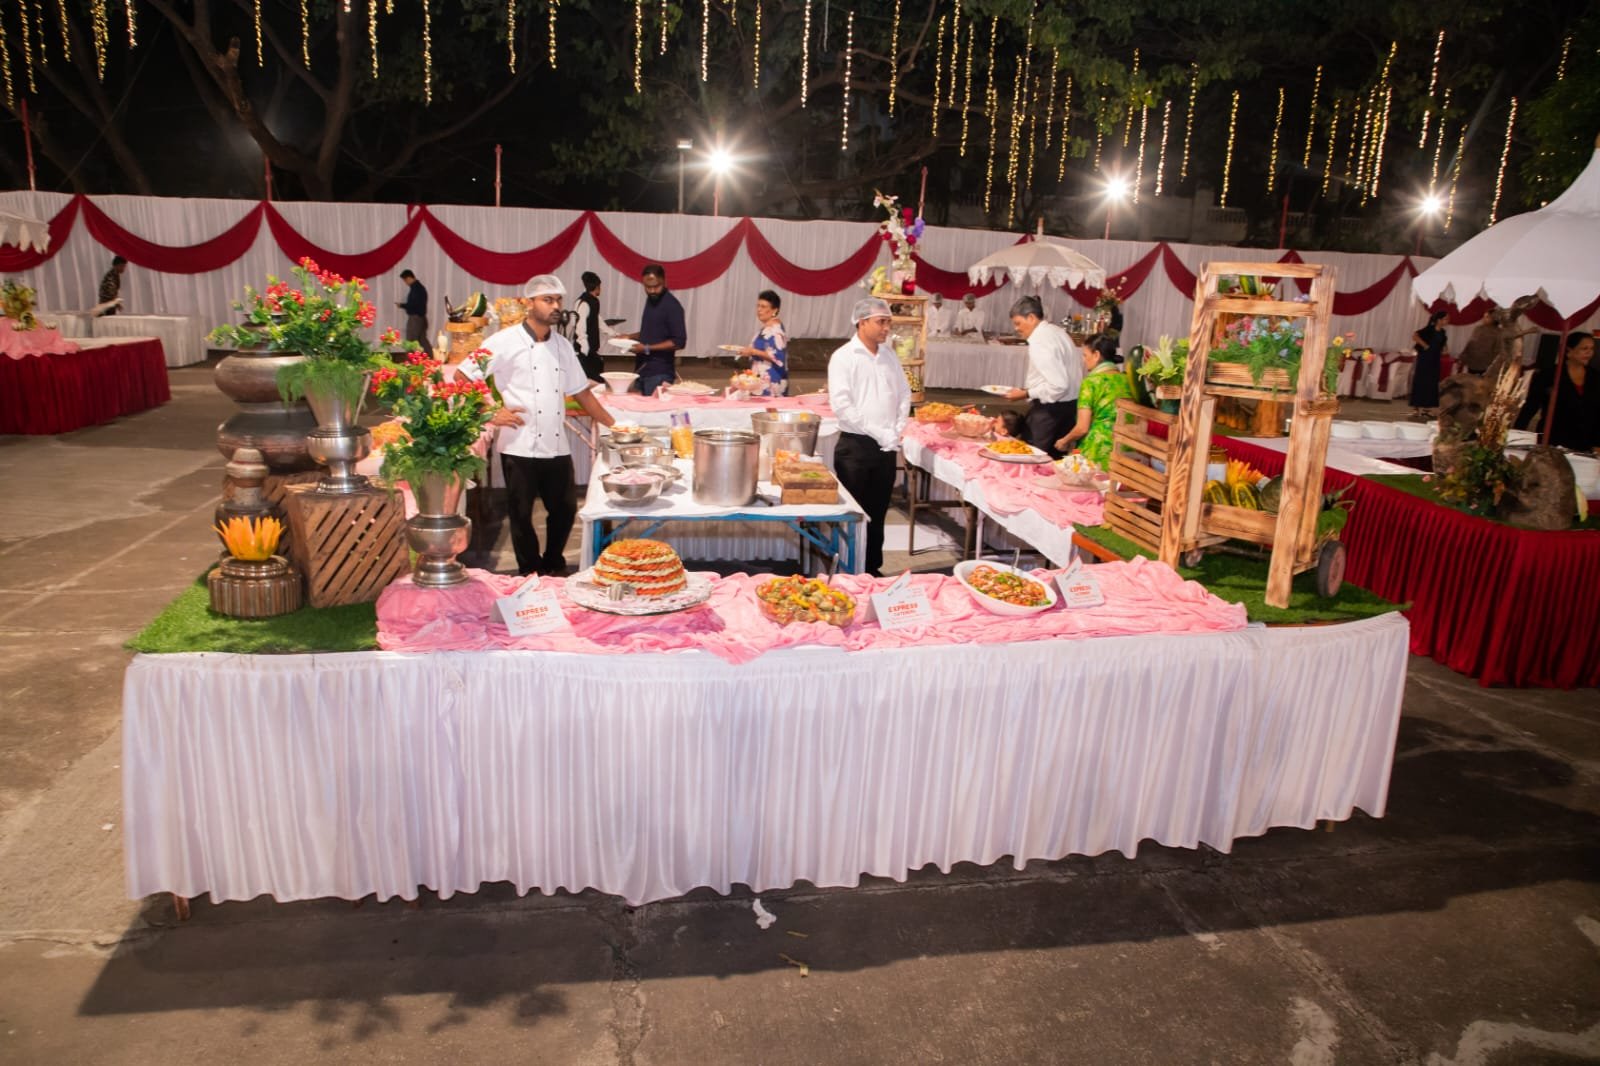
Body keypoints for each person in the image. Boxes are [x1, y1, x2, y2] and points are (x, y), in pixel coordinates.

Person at [460, 274, 616, 577]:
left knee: (565, 510)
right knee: (520, 515)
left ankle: (553, 563)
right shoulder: (503, 341)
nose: (555, 306)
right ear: (529, 303)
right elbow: (464, 376)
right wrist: (489, 411)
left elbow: (581, 393)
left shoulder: (562, 346)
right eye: (547, 300)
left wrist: (616, 425)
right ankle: (529, 571)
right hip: (518, 443)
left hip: (556, 444)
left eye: (558, 300)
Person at [828, 296, 911, 577]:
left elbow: (904, 392)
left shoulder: (889, 355)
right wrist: (878, 431)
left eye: (888, 322)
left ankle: (872, 569)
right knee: (854, 514)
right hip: (856, 447)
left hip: (886, 446)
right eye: (881, 322)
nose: (886, 328)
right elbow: (843, 405)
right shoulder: (843, 357)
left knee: (878, 512)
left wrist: (896, 429)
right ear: (862, 322)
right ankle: (848, 572)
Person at [1001, 295, 1081, 459]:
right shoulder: (1056, 332)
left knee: (1034, 457)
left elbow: (1059, 385)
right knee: (1055, 458)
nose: (1016, 328)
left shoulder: (1040, 341)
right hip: (1069, 406)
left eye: (1018, 323)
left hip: (1050, 410)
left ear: (1031, 318)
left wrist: (1026, 393)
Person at [1055, 333, 1135, 468]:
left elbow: (1082, 428)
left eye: (1085, 355)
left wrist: (1064, 440)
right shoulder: (1127, 380)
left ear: (1096, 355)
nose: (1083, 360)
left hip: (1097, 449)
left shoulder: (1091, 382)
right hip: (1125, 448)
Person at [618, 263, 686, 395]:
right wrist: (629, 337)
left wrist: (646, 348)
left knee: (654, 408)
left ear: (664, 281)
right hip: (642, 370)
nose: (652, 291)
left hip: (659, 373)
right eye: (648, 287)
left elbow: (679, 342)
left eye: (656, 286)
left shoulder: (672, 306)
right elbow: (651, 332)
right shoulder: (651, 300)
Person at [1546, 332, 1598, 451]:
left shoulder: (1595, 377)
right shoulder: (1550, 374)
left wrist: (1597, 444)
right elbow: (1530, 407)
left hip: (1585, 444)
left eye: (1591, 349)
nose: (1589, 353)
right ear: (1569, 350)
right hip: (1553, 442)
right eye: (1584, 348)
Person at [737, 289, 789, 396]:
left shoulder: (776, 330)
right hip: (760, 380)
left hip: (770, 382)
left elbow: (778, 357)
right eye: (758, 306)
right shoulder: (766, 328)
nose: (759, 310)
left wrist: (753, 351)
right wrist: (747, 351)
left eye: (763, 307)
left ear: (774, 310)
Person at [1410, 310, 1448, 419]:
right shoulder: (1429, 329)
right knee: (1421, 381)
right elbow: (1415, 336)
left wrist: (1445, 349)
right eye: (1445, 319)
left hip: (1435, 360)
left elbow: (1443, 344)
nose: (1447, 321)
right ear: (1439, 320)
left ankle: (1427, 408)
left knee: (1432, 382)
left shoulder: (1443, 332)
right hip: (1424, 359)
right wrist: (1425, 345)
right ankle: (1417, 408)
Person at [571, 270, 607, 382]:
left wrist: (613, 333)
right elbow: (579, 326)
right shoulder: (584, 303)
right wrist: (584, 347)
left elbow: (597, 319)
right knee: (590, 380)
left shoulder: (593, 301)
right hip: (584, 349)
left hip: (591, 348)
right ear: (597, 287)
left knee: (596, 376)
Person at [396, 269, 431, 352]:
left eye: (405, 280)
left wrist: (402, 305)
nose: (405, 283)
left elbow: (413, 305)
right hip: (421, 318)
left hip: (415, 318)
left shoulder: (416, 289)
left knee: (411, 341)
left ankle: (411, 359)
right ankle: (430, 357)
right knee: (422, 340)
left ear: (408, 278)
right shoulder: (419, 288)